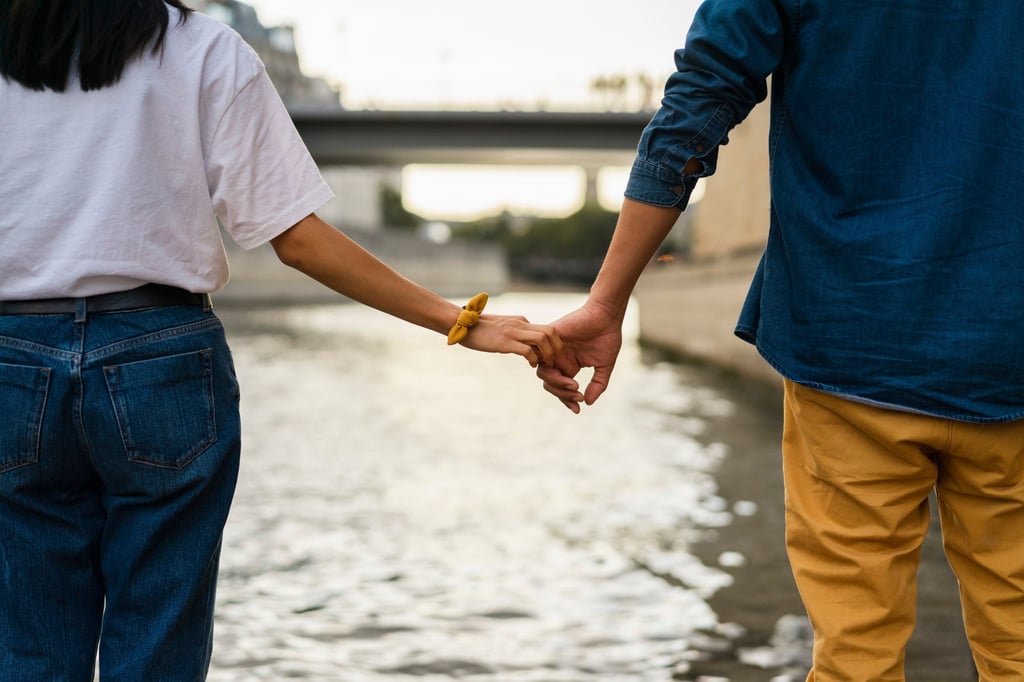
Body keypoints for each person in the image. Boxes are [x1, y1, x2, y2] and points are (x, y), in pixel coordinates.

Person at [0, 2, 560, 680]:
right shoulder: (203, 49)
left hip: (13, 357)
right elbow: (295, 239)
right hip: (160, 354)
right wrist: (458, 322)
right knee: (157, 639)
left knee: (29, 644)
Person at [538, 1, 1024, 679]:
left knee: (857, 652)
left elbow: (699, 105)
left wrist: (608, 299)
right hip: (1008, 338)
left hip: (849, 336)